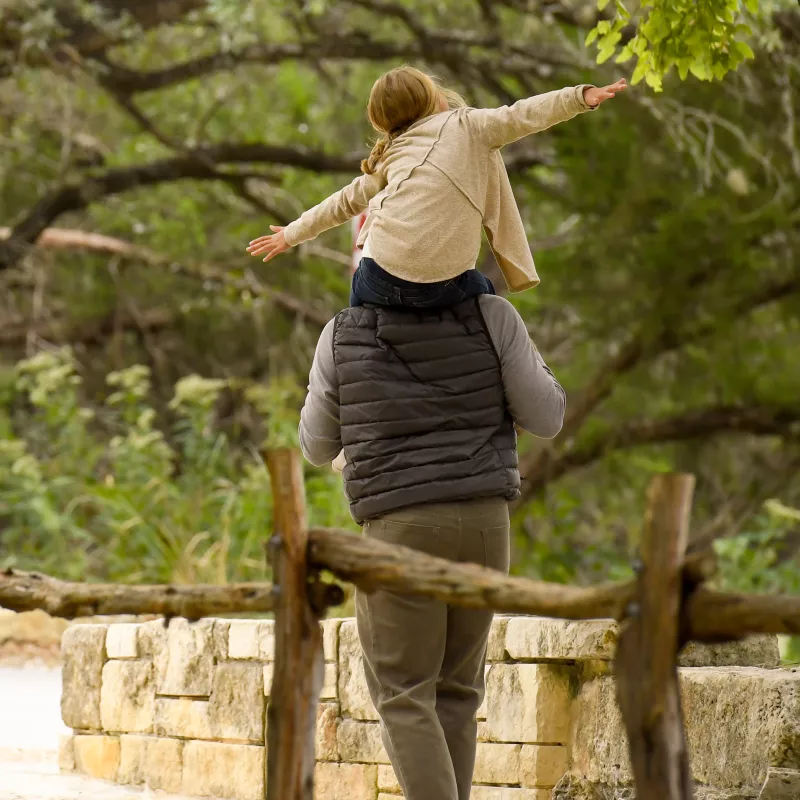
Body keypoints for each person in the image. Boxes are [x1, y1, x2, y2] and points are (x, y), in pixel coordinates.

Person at [298, 291, 566, 800]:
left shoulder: (341, 331)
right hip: (486, 525)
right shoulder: (493, 315)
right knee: (458, 690)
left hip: (398, 526)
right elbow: (546, 417)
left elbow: (315, 445)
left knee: (404, 693)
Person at [246, 66, 626, 308]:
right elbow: (524, 114)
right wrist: (581, 97)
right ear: (433, 98)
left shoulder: (392, 154)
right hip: (443, 286)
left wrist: (291, 235)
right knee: (486, 299)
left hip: (380, 277)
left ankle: (356, 337)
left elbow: (346, 201)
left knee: (355, 310)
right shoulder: (469, 126)